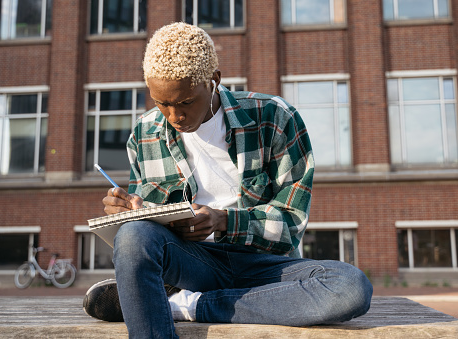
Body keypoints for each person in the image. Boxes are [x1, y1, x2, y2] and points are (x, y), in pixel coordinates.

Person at [83, 22, 372, 338]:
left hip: (266, 267)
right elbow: (148, 236)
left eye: (185, 102)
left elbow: (290, 224)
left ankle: (186, 307)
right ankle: (169, 295)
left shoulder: (274, 118)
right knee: (134, 236)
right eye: (161, 102)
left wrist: (223, 221)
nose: (173, 116)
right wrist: (136, 211)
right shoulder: (145, 133)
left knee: (350, 287)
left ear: (214, 81)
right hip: (193, 265)